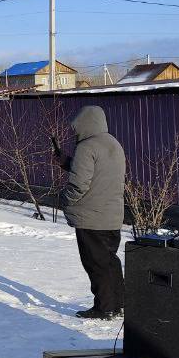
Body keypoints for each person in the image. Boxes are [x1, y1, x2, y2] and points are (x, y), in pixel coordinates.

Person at [60, 106, 127, 319]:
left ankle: (103, 308)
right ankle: (117, 304)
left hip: (91, 217)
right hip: (112, 216)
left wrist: (64, 200)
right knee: (109, 261)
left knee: (95, 264)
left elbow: (79, 184)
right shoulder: (113, 143)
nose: (75, 132)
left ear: (85, 123)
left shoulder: (86, 147)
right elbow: (99, 173)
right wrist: (68, 163)